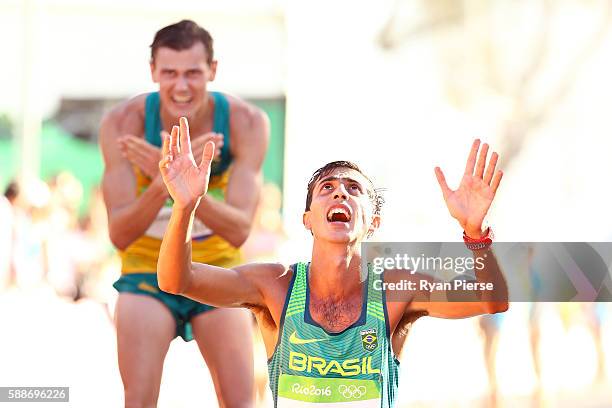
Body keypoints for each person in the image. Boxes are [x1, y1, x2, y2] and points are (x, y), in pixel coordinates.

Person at [157, 118, 508, 407]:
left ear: (373, 222)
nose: (340, 192)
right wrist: (185, 208)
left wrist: (475, 232)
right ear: (307, 219)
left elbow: (492, 299)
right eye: (327, 187)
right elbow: (177, 280)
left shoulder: (395, 290)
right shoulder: (275, 285)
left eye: (354, 190)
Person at [99, 20, 269, 408]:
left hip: (217, 265)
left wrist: (189, 187)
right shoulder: (123, 124)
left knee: (242, 402)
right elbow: (119, 234)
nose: (181, 86)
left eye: (193, 73)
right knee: (139, 400)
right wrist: (164, 181)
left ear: (213, 70)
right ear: (152, 71)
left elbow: (240, 231)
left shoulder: (247, 123)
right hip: (145, 267)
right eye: (169, 73)